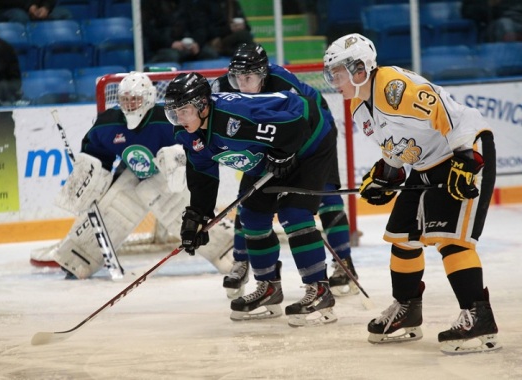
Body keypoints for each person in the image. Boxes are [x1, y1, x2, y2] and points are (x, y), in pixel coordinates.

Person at [323, 33, 500, 354]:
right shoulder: (360, 108)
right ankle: (407, 310)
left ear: (359, 68)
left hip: (463, 150)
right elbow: (397, 148)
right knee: (402, 238)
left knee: (451, 240)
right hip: (426, 164)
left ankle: (479, 315)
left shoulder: (394, 86)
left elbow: (450, 114)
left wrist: (465, 158)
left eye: (337, 72)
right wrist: (386, 175)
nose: (334, 80)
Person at [164, 71, 337, 327]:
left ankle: (320, 290)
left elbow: (297, 122)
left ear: (202, 106)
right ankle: (268, 288)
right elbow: (202, 176)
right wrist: (196, 217)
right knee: (252, 217)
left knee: (294, 213)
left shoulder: (235, 119)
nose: (179, 118)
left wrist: (282, 156)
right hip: (268, 151)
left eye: (184, 110)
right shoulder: (189, 134)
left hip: (310, 140)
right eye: (174, 112)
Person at [30, 72, 234, 279]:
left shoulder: (169, 119)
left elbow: (199, 146)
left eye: (135, 99)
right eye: (125, 99)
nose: (130, 104)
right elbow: (96, 152)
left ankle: (228, 248)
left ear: (148, 97)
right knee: (117, 207)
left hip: (168, 179)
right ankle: (79, 257)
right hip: (134, 174)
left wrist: (181, 158)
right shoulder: (108, 123)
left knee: (178, 206)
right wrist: (89, 174)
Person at [212, 42, 358, 299]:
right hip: (268, 141)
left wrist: (287, 155)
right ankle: (242, 261)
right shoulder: (225, 86)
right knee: (249, 196)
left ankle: (344, 264)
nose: (242, 84)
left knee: (323, 195)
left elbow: (301, 123)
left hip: (314, 133)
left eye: (249, 77)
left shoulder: (282, 82)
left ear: (263, 74)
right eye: (237, 77)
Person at [142, 0, 220, 64]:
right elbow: (149, 32)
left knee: (210, 53)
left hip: (188, 46)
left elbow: (200, 27)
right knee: (172, 56)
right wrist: (171, 44)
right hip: (164, 47)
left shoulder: (187, 4)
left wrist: (197, 43)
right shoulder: (151, 4)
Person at [0, 0, 72, 24]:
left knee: (64, 14)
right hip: (9, 9)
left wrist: (46, 7)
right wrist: (29, 6)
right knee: (20, 17)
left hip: (38, 9)